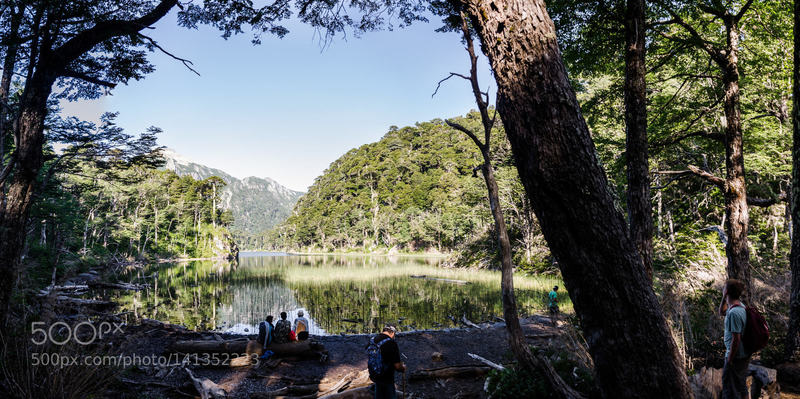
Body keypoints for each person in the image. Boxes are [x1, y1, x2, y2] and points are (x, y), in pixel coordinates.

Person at [718, 279, 750, 399]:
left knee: (730, 388)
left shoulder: (734, 313)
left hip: (736, 356)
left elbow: (736, 339)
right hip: (743, 354)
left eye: (724, 288)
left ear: (726, 291)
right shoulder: (740, 306)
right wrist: (724, 298)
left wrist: (730, 359)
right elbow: (721, 312)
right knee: (741, 385)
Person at [369, 325, 405, 399]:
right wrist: (403, 368)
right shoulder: (391, 343)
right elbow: (397, 366)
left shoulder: (373, 340)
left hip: (375, 374)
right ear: (392, 333)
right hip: (387, 377)